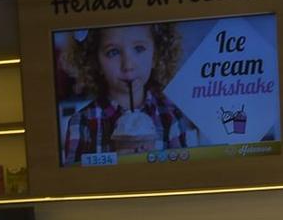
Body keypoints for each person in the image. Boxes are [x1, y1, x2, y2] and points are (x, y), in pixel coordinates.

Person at [58, 23, 202, 163]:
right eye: (113, 52)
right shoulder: (82, 122)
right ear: (96, 62)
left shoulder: (172, 116)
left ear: (155, 56)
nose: (128, 65)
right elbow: (75, 182)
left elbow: (184, 175)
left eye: (139, 49)